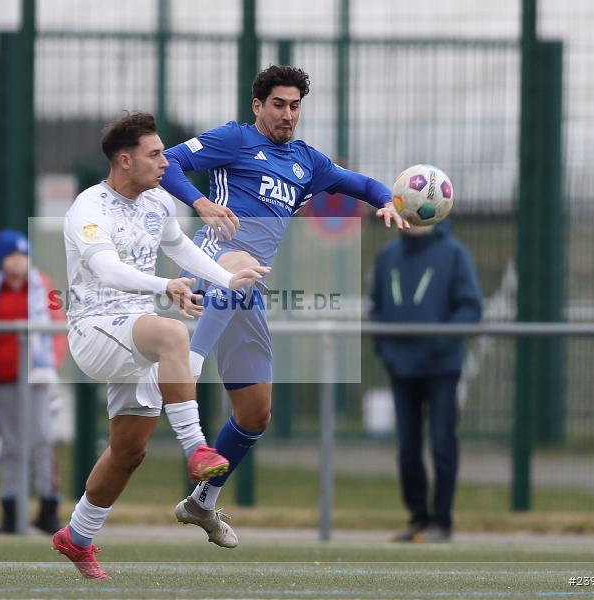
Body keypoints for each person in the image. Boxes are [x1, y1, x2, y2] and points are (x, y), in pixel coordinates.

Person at [159, 65, 405, 547]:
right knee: (239, 263)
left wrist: (387, 201)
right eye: (278, 104)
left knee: (255, 415)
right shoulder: (233, 139)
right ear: (258, 106)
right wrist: (201, 203)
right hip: (212, 263)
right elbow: (167, 162)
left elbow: (361, 184)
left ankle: (202, 503)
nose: (287, 114)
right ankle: (188, 361)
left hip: (248, 289)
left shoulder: (307, 161)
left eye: (295, 106)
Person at [52, 112, 270, 579]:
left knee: (129, 450)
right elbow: (107, 270)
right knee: (173, 334)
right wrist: (165, 286)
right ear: (124, 160)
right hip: (94, 329)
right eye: (154, 155)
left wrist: (226, 278)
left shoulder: (157, 201)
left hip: (135, 332)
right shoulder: (89, 207)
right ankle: (197, 450)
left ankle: (77, 536)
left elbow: (182, 248)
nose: (165, 162)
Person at [369, 220, 482, 543]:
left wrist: (438, 343)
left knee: (443, 443)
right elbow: (376, 308)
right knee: (408, 448)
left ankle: (441, 523)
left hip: (441, 367)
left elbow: (470, 307)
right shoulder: (387, 256)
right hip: (401, 367)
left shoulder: (454, 254)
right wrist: (386, 349)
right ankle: (418, 520)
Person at [0, 229, 68, 535]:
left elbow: (57, 330)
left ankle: (48, 508)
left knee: (42, 441)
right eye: (12, 256)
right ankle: (10, 511)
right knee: (11, 445)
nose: (19, 261)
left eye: (23, 255)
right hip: (3, 378)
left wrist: (50, 364)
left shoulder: (42, 287)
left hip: (36, 379)